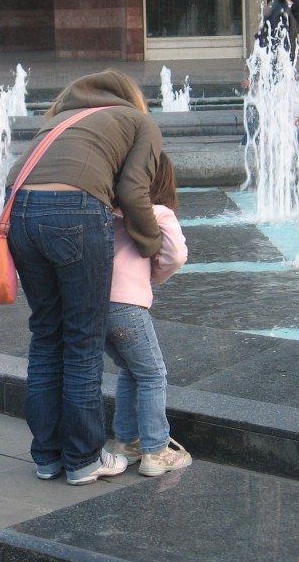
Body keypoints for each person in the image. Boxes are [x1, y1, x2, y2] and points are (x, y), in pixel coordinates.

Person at [5, 69, 162, 485]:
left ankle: (48, 456)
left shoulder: (55, 121)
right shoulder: (139, 121)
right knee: (83, 337)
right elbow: (133, 192)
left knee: (46, 334)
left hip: (16, 212)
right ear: (130, 96)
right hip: (74, 210)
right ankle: (83, 459)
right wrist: (150, 244)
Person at [106, 151, 192, 477]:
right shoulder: (159, 213)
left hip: (96, 306)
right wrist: (157, 272)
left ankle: (127, 442)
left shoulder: (110, 209)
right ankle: (156, 450)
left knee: (131, 370)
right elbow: (176, 255)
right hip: (127, 307)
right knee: (154, 374)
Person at [243, 0, 299, 145]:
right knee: (276, 110)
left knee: (275, 110)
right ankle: (254, 142)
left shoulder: (279, 7)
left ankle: (257, 141)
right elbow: (270, 43)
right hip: (276, 72)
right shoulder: (280, 10)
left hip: (277, 71)